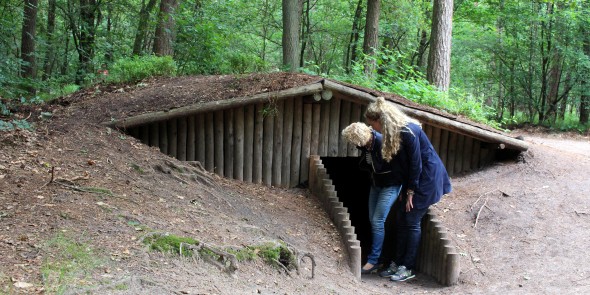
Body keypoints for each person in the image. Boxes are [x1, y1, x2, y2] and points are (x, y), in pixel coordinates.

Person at [363, 97, 452, 282]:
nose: (373, 129)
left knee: (411, 220)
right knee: (401, 218)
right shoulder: (393, 133)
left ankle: (407, 267)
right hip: (413, 180)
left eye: (373, 124)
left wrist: (410, 191)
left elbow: (416, 165)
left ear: (382, 121)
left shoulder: (408, 131)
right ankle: (397, 262)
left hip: (426, 180)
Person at [341, 122, 406, 274]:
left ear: (360, 139)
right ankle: (380, 257)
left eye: (353, 141)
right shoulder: (365, 145)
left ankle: (373, 260)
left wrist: (407, 187)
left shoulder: (382, 143)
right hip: (376, 184)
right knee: (373, 219)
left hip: (391, 185)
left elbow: (401, 164)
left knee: (377, 221)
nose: (352, 144)